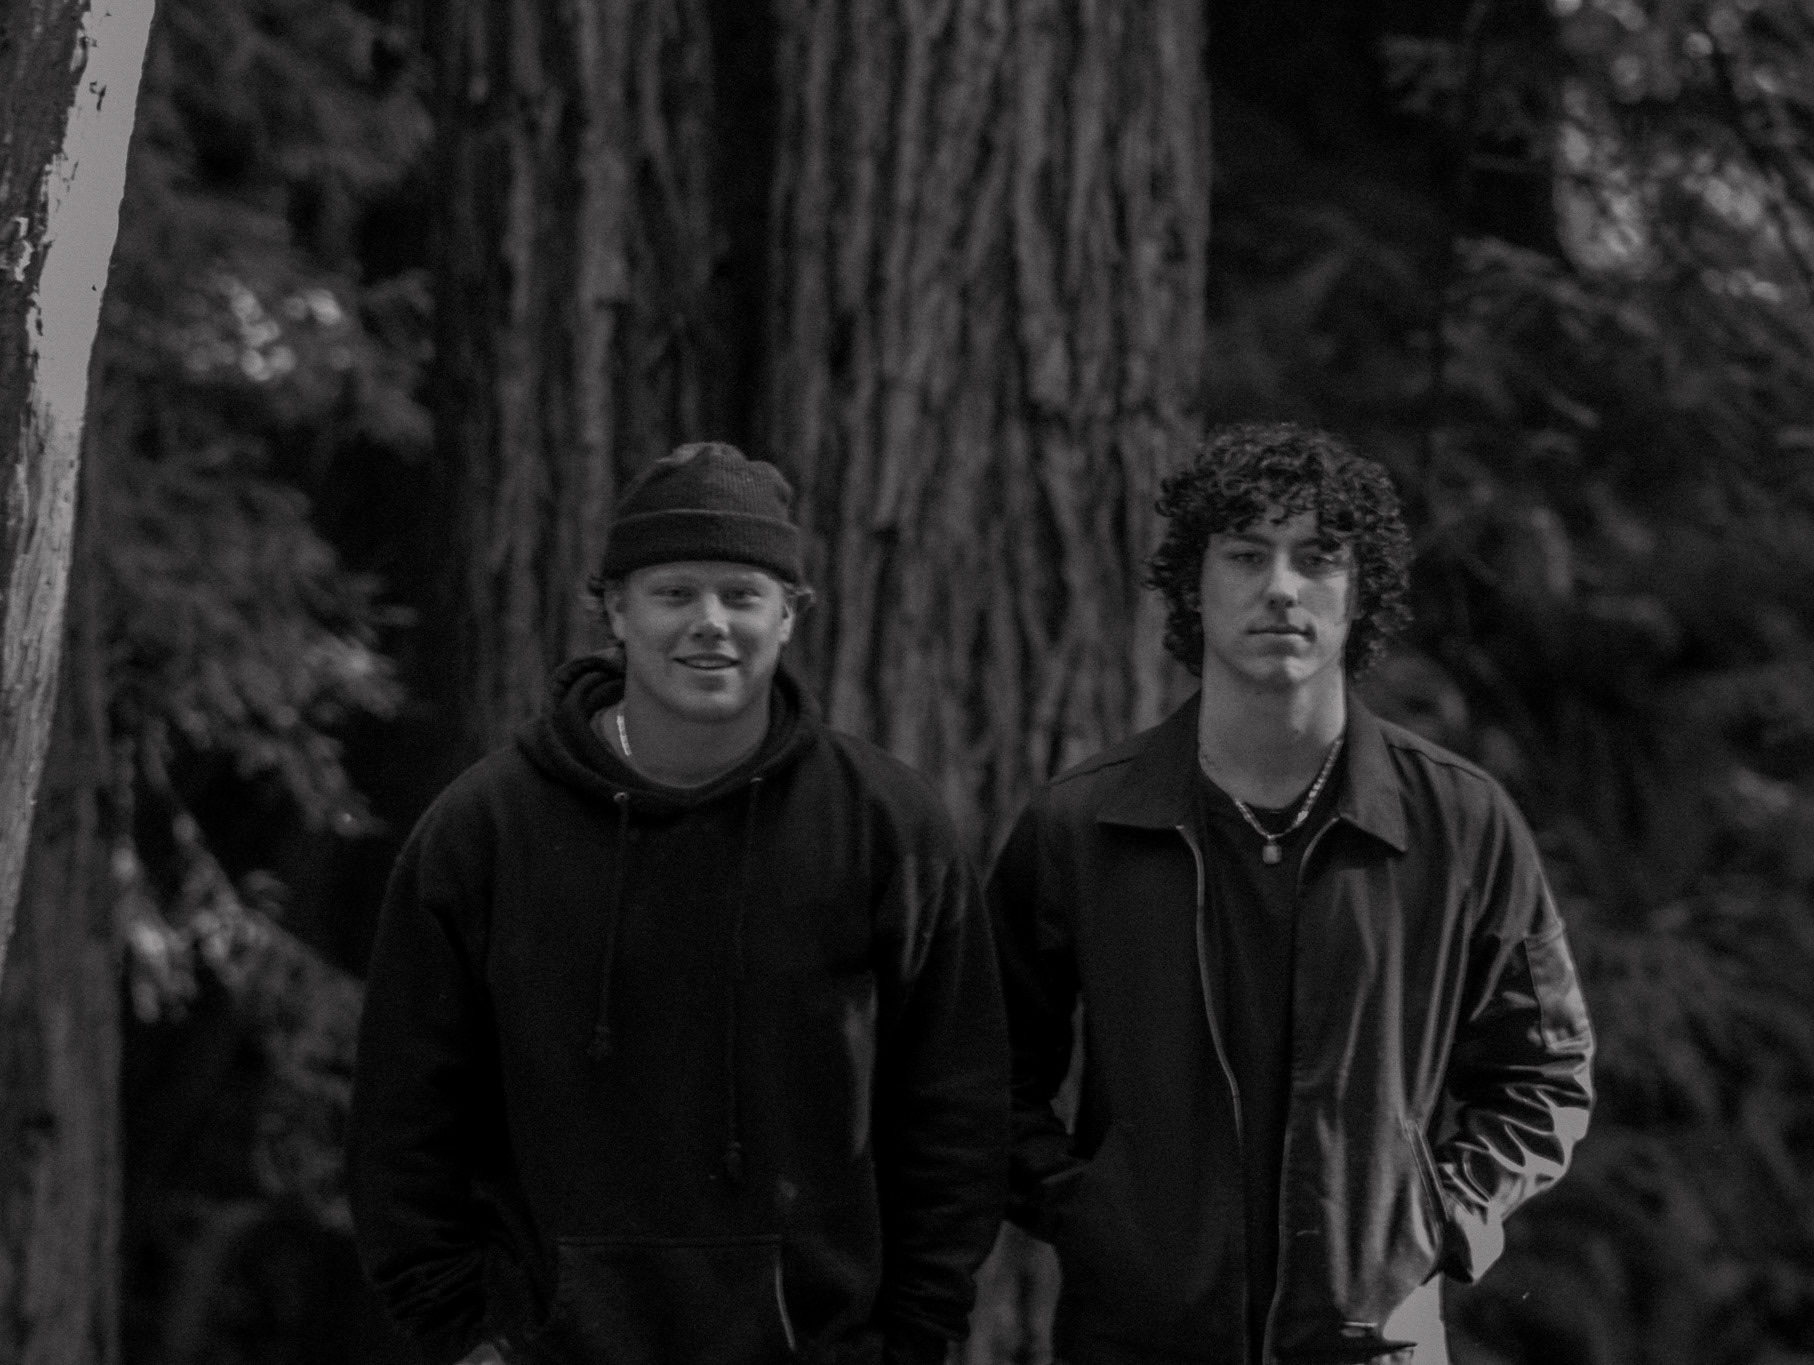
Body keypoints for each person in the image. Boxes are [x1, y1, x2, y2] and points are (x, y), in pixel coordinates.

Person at [347, 442, 1009, 1365]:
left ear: (791, 615)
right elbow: (403, 1119)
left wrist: (915, 1337)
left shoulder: (886, 826)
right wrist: (464, 1334)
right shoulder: (484, 830)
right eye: (673, 593)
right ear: (614, 609)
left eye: (742, 593)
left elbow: (954, 1111)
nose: (710, 623)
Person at [991, 423, 1596, 1365]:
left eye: (1317, 559)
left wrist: (1432, 1221)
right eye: (1245, 555)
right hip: (1137, 1343)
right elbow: (986, 1073)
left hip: (1374, 1347)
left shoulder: (1462, 823)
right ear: (1196, 584)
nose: (1281, 587)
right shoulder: (1083, 825)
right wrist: (1091, 1214)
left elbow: (1545, 1074)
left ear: (1362, 593)